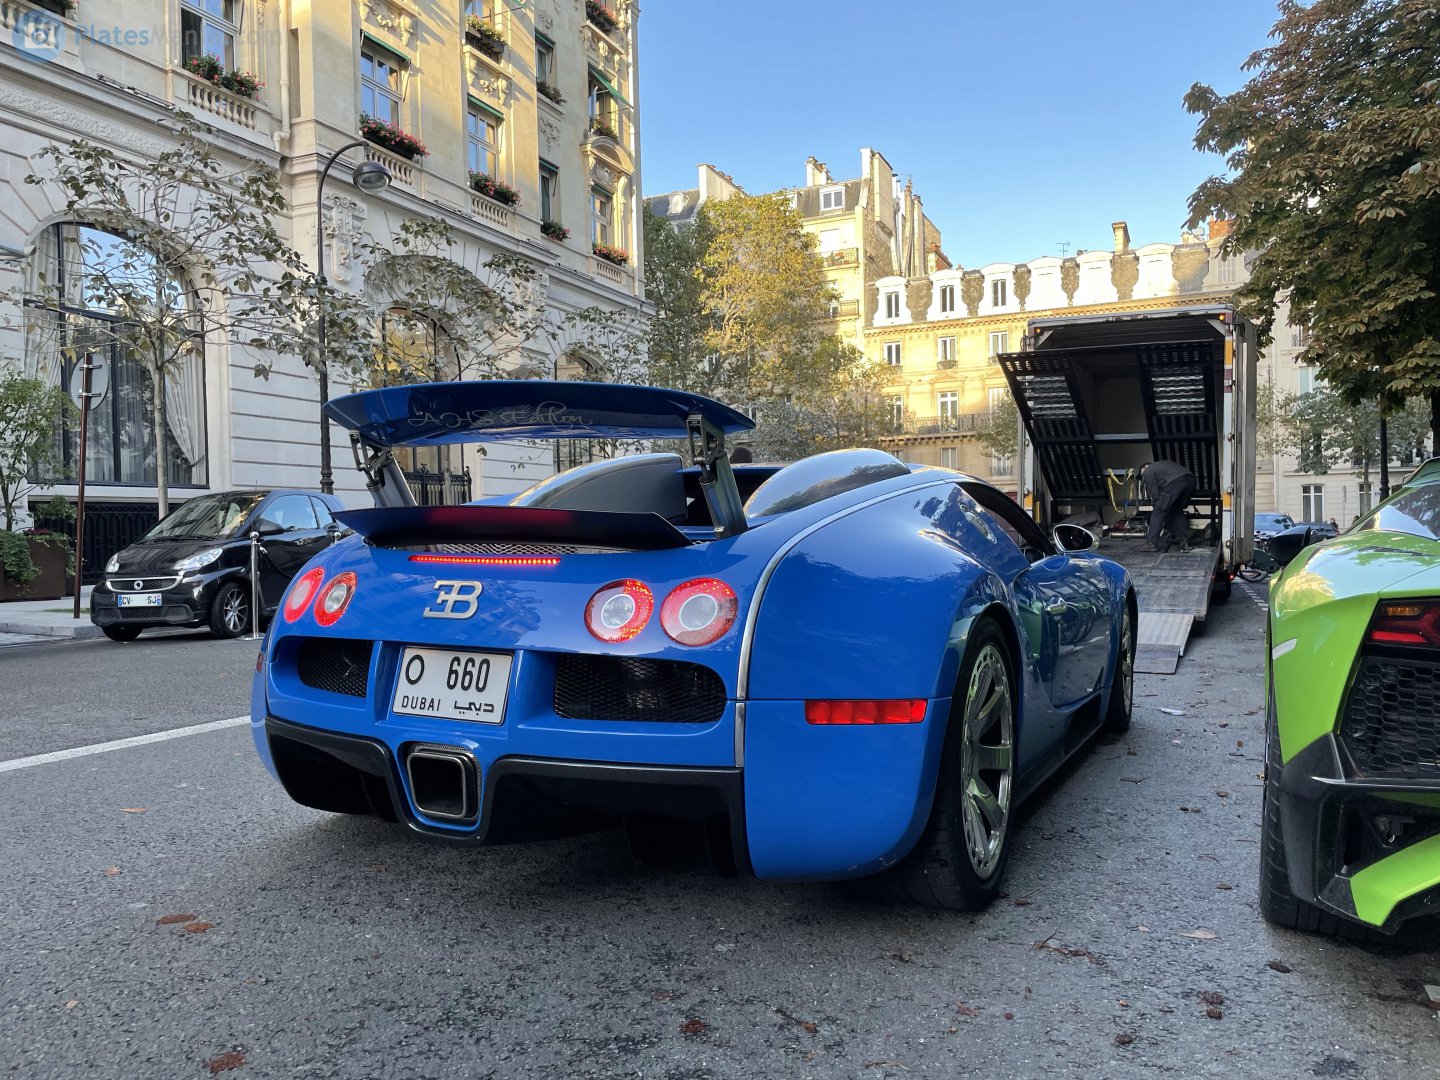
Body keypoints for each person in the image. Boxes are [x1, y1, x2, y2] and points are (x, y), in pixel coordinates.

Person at [1139, 460, 1196, 553]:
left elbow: (1155, 495)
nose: (1143, 478)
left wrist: (1158, 508)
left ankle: (1151, 543)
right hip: (1190, 481)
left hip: (1176, 482)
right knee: (1176, 510)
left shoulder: (1148, 471)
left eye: (1142, 475)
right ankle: (1183, 541)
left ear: (1145, 468)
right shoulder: (1162, 466)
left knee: (1158, 510)